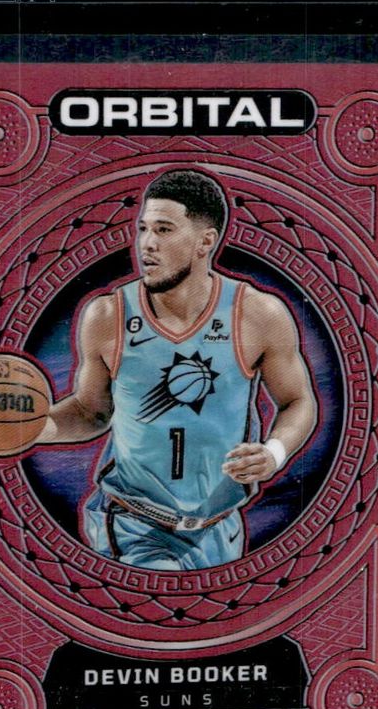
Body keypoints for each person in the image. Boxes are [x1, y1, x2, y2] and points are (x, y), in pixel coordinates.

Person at [38, 169, 317, 570]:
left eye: (164, 230)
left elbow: (298, 401)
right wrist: (29, 428)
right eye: (143, 229)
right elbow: (90, 412)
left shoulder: (257, 314)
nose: (147, 244)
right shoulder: (108, 315)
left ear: (206, 241)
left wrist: (274, 452)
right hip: (133, 526)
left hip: (220, 527)